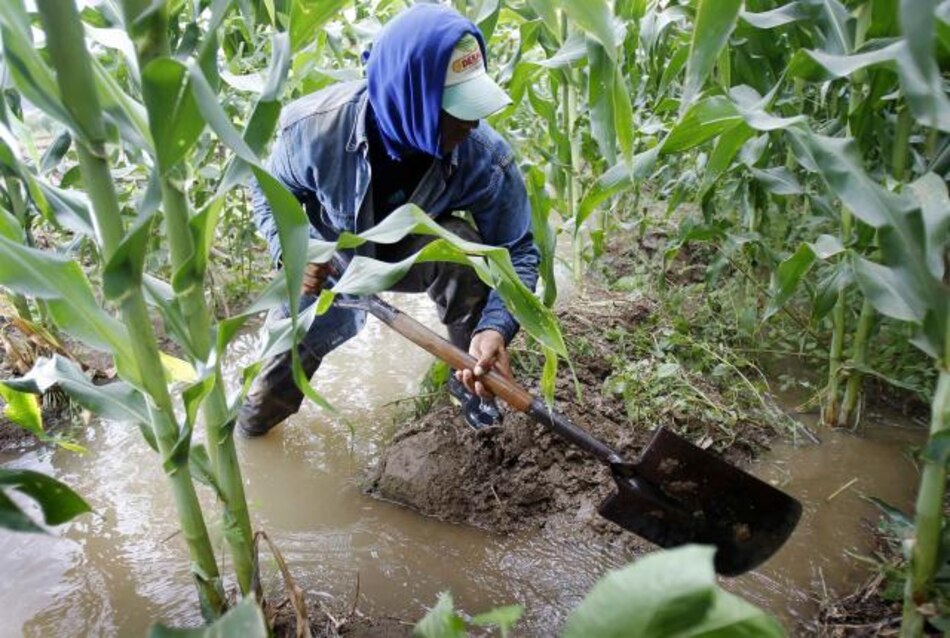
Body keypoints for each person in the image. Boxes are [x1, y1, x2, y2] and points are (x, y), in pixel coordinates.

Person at [239, 3, 539, 436]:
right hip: (331, 264)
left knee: (462, 248)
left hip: (412, 252)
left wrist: (496, 328)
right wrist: (292, 249)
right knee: (263, 403)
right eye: (458, 108)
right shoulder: (314, 129)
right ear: (410, 95)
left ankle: (472, 380)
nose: (473, 123)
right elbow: (272, 193)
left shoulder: (483, 158)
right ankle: (254, 427)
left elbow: (518, 250)